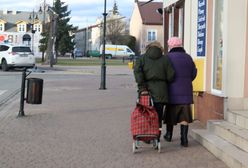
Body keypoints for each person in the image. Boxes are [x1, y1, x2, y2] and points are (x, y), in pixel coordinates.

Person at [133, 41, 175, 142]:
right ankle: (157, 137)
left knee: (146, 114)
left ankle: (147, 136)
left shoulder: (141, 58)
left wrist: (142, 87)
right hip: (161, 91)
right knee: (158, 116)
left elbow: (138, 73)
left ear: (148, 48)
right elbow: (171, 76)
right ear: (160, 48)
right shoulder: (166, 59)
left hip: (146, 91)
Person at [163, 37, 197, 147]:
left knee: (170, 114)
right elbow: (193, 73)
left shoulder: (167, 58)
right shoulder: (188, 57)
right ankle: (184, 140)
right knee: (184, 116)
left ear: (170, 46)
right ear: (180, 45)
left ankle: (168, 135)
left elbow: (165, 74)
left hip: (171, 91)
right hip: (186, 91)